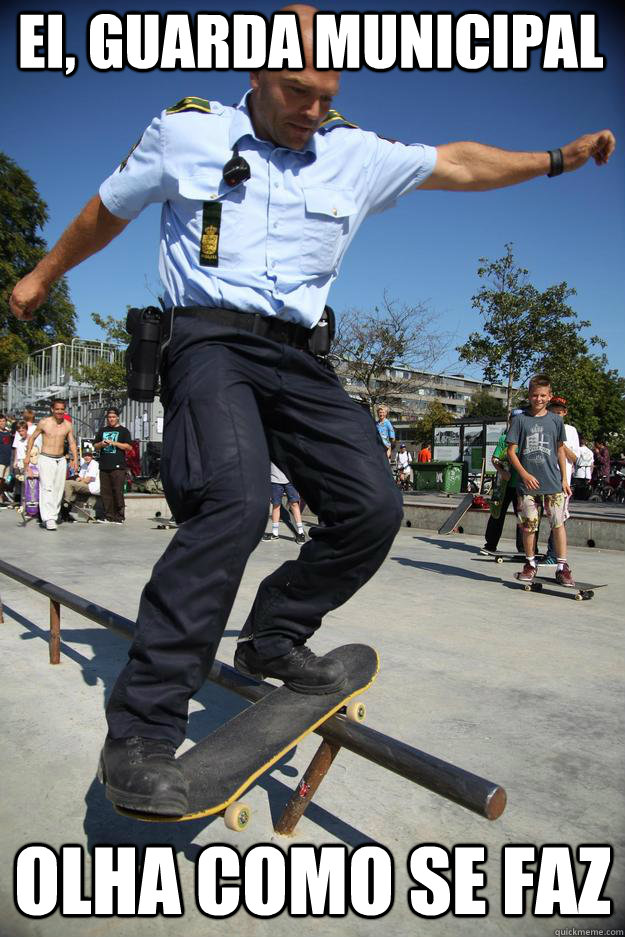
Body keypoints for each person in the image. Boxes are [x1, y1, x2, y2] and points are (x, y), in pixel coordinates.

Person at [9, 2, 614, 815]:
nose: (313, 111)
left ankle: (274, 634)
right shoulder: (186, 133)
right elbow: (104, 211)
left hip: (300, 356)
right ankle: (142, 730)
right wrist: (42, 278)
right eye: (297, 92)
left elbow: (458, 163)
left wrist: (551, 159)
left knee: (372, 507)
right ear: (255, 76)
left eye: (327, 94)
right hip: (209, 342)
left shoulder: (351, 151)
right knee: (233, 502)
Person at [507, 375, 574, 586]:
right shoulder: (520, 420)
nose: (539, 399)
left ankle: (562, 567)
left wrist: (564, 478)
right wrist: (524, 475)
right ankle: (530, 563)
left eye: (543, 395)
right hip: (527, 485)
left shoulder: (556, 420)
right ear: (529, 395)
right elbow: (511, 452)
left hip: (553, 482)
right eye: (535, 395)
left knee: (558, 524)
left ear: (549, 396)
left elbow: (560, 449)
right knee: (529, 526)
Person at [23, 399, 78, 531]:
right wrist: (27, 456)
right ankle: (48, 518)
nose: (59, 411)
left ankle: (53, 514)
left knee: (58, 489)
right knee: (47, 488)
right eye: (57, 409)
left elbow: (71, 442)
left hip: (61, 459)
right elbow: (32, 438)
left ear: (64, 410)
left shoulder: (68, 425)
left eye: (62, 409)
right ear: (52, 410)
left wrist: (75, 458)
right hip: (46, 458)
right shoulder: (44, 422)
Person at [482, 409, 525, 555]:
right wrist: (502, 471)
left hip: (521, 485)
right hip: (504, 485)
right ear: (510, 421)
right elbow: (494, 459)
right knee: (497, 513)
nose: (516, 423)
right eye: (514, 420)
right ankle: (490, 544)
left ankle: (524, 548)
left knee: (523, 516)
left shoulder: (526, 438)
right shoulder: (504, 439)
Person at [543, 397, 580, 564]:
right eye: (553, 412)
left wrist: (560, 442)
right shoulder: (544, 426)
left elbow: (574, 457)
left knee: (558, 518)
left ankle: (554, 554)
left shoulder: (570, 431)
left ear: (565, 413)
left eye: (559, 412)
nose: (556, 415)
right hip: (544, 476)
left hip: (561, 480)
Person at [93, 409, 132, 524]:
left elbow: (129, 447)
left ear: (117, 417)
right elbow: (95, 445)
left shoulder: (124, 431)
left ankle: (119, 517)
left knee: (117, 491)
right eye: (109, 417)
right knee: (106, 492)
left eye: (113, 417)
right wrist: (101, 444)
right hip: (104, 465)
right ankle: (108, 516)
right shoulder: (102, 430)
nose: (111, 419)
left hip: (118, 466)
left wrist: (114, 443)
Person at [263, 462, 306, 543]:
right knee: (276, 506)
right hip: (274, 480)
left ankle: (301, 533)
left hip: (290, 480)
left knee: (294, 504)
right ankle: (275, 534)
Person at [63, 450, 101, 516]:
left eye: (88, 455)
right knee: (67, 483)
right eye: (85, 456)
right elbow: (80, 477)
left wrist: (78, 481)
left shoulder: (94, 464)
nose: (86, 457)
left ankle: (66, 503)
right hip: (86, 485)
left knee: (68, 483)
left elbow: (88, 480)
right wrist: (79, 480)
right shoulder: (84, 464)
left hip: (92, 487)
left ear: (92, 456)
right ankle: (66, 505)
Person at [0, 414, 13, 507]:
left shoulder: (8, 433)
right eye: (0, 421)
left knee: (5, 480)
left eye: (3, 421)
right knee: (0, 480)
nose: (2, 423)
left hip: (7, 460)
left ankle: (1, 496)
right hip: (0, 461)